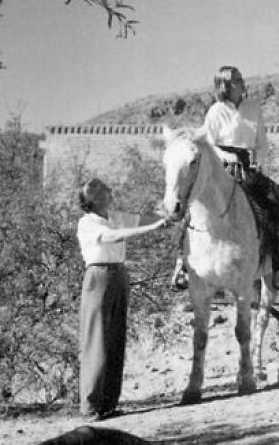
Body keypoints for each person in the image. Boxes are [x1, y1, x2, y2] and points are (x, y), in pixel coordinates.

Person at [76, 178, 169, 420]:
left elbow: (143, 219)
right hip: (98, 276)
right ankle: (90, 406)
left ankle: (108, 403)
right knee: (96, 338)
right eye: (104, 190)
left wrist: (166, 215)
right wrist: (152, 228)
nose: (110, 192)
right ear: (93, 198)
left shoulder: (115, 215)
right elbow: (113, 236)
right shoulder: (87, 223)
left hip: (119, 274)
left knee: (116, 337)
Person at [203, 64, 279, 268]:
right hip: (224, 167)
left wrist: (259, 160)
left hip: (249, 165)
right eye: (237, 80)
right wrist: (228, 157)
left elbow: (262, 141)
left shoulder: (253, 107)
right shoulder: (216, 111)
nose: (242, 82)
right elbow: (208, 144)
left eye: (241, 78)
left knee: (276, 194)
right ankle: (185, 262)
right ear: (225, 85)